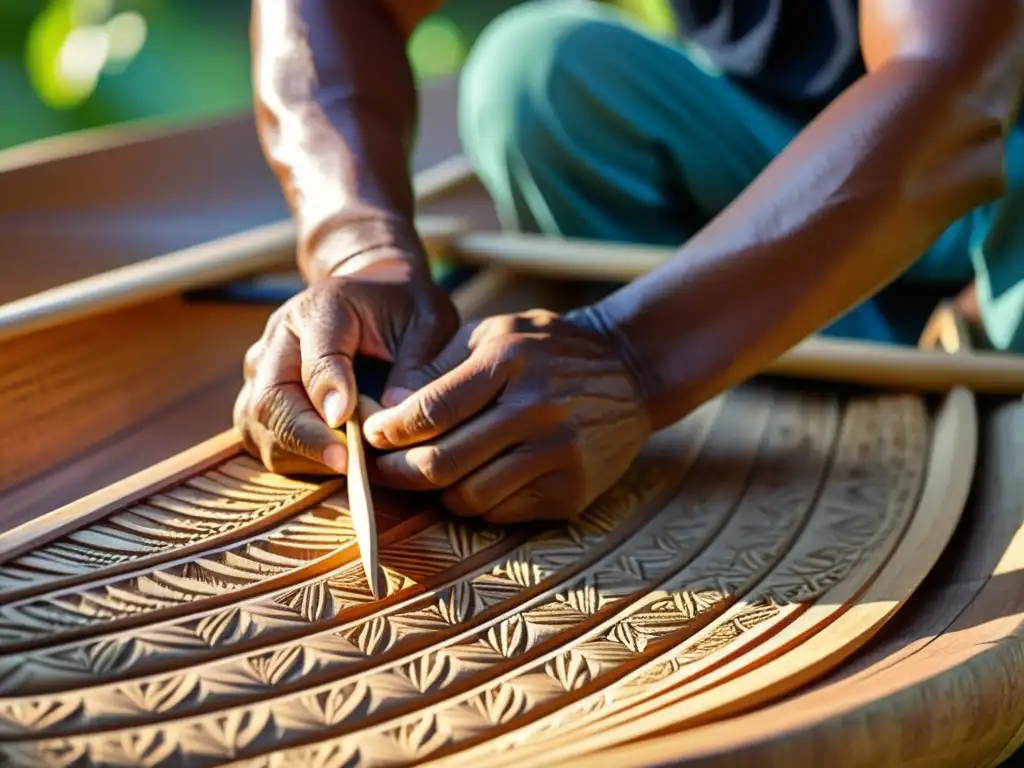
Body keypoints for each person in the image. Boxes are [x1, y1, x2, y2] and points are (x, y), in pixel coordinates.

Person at [236, 0, 1024, 524]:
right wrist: (362, 250)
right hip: (795, 161)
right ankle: (842, 330)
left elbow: (958, 91)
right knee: (536, 76)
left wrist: (631, 359)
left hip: (989, 146)